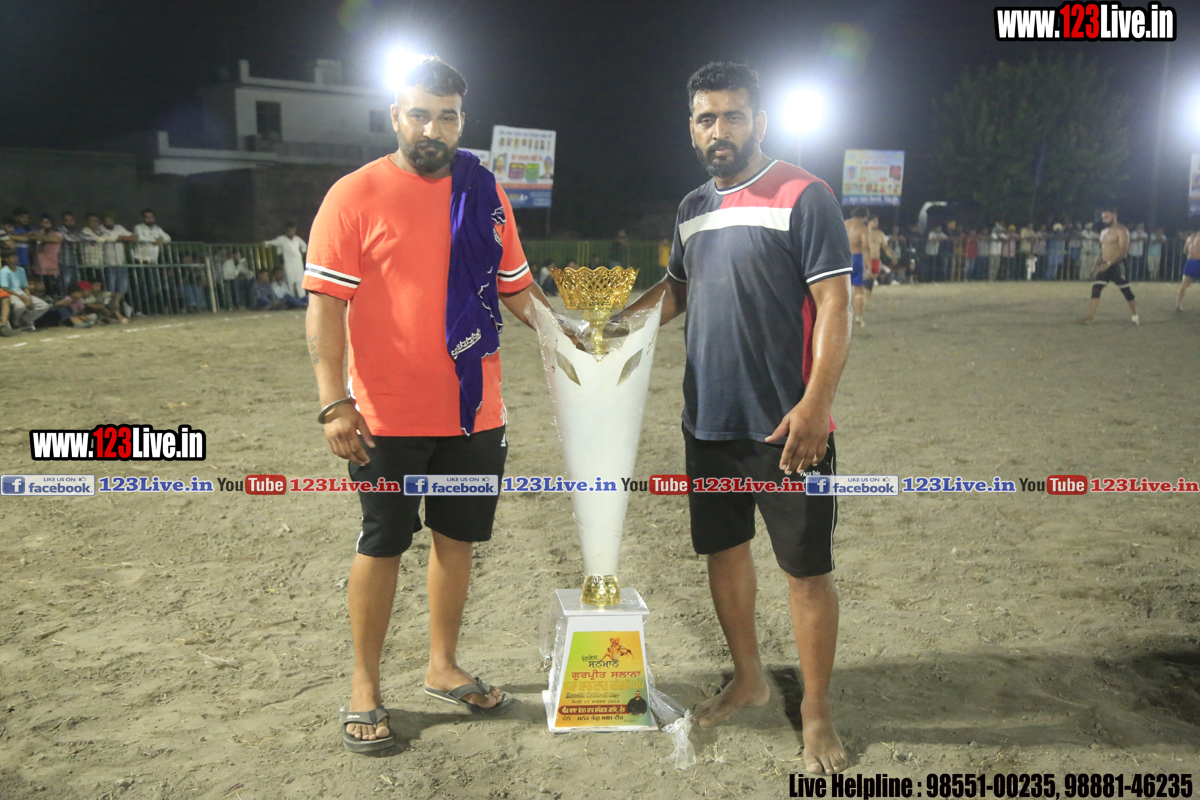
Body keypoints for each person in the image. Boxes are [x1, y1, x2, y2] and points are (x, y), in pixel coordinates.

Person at [302, 56, 551, 753]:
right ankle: (364, 685)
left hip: (475, 412)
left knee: (456, 539)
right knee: (382, 541)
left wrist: (573, 337)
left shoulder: (485, 192)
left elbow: (516, 288)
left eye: (447, 117)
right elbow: (325, 307)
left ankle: (442, 666)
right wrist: (334, 402)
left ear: (462, 121)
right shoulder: (353, 195)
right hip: (383, 417)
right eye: (419, 115)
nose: (432, 130)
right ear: (395, 117)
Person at [621, 61, 851, 775]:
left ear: (760, 122)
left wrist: (816, 406)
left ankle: (816, 712)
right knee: (724, 553)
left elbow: (836, 306)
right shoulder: (691, 208)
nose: (719, 130)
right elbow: (677, 291)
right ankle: (749, 679)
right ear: (691, 128)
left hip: (787, 428)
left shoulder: (806, 195)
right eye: (706, 118)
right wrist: (609, 331)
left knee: (806, 573)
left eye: (733, 116)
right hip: (708, 425)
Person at [1081, 207, 1137, 325]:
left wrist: (1110, 263)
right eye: (1103, 218)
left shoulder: (1122, 230)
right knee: (1096, 288)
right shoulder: (1104, 232)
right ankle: (1090, 317)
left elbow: (1123, 250)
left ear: (1114, 216)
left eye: (1106, 217)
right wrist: (1097, 263)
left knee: (1125, 290)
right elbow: (1103, 250)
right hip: (1105, 264)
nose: (1104, 220)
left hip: (1118, 264)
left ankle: (1135, 315)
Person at [0, 252, 50, 330]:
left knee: (44, 306)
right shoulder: (4, 271)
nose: (15, 259)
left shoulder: (21, 270)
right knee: (20, 306)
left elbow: (25, 286)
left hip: (21, 293)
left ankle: (24, 320)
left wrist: (29, 297)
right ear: (6, 259)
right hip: (11, 294)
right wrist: (21, 297)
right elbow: (5, 288)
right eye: (12, 257)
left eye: (16, 257)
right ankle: (15, 323)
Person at [102, 214, 138, 318]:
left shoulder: (119, 228)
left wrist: (119, 238)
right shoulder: (100, 229)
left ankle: (116, 305)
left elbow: (134, 237)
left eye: (111, 220)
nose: (109, 222)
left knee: (123, 288)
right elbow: (107, 238)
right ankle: (112, 311)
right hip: (108, 263)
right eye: (107, 220)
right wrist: (123, 238)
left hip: (121, 262)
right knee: (110, 289)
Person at [264, 222, 308, 298]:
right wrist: (265, 243)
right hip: (289, 264)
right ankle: (293, 299)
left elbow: (304, 246)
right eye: (289, 230)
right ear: (286, 231)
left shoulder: (297, 239)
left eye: (293, 230)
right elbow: (272, 243)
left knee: (300, 282)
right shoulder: (282, 239)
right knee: (290, 283)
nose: (291, 232)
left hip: (298, 264)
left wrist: (301, 254)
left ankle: (303, 299)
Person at [844, 208, 869, 325]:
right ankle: (858, 317)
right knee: (859, 291)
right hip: (857, 258)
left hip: (842, 257)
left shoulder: (843, 224)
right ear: (864, 217)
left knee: (841, 289)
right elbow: (865, 247)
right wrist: (869, 266)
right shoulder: (863, 229)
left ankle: (842, 316)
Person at [33, 214, 63, 296]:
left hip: (52, 266)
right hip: (39, 265)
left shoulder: (56, 234)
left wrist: (39, 235)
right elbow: (28, 237)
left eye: (47, 222)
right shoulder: (37, 233)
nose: (44, 224)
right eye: (42, 222)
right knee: (40, 288)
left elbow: (53, 239)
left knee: (53, 288)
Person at [1177, 224, 1200, 312]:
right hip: (1199, 261)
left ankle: (1178, 304)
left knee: (1184, 285)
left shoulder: (1189, 238)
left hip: (1190, 262)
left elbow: (1185, 250)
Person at [57, 212, 81, 290]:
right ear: (62, 221)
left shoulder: (76, 231)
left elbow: (84, 237)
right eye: (67, 220)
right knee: (65, 283)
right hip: (64, 261)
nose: (69, 222)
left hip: (75, 261)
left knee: (76, 284)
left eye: (71, 220)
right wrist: (77, 239)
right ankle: (65, 297)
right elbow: (68, 238)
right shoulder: (59, 230)